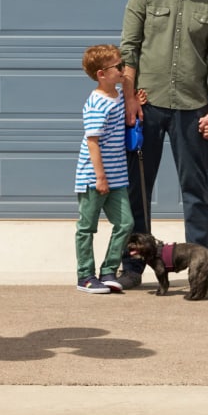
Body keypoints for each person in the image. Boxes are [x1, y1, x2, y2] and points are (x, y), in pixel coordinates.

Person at [119, 0, 208, 293]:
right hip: (147, 108)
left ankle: (204, 270)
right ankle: (134, 265)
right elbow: (129, 48)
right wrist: (131, 98)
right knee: (139, 188)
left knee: (195, 190)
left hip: (193, 108)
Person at [72, 44, 135, 294]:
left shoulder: (117, 95)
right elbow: (92, 141)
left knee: (126, 223)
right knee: (87, 227)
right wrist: (100, 177)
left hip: (118, 176)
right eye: (118, 67)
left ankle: (108, 270)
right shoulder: (97, 103)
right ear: (101, 74)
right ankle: (85, 275)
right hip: (94, 177)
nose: (122, 70)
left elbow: (125, 97)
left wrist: (134, 98)